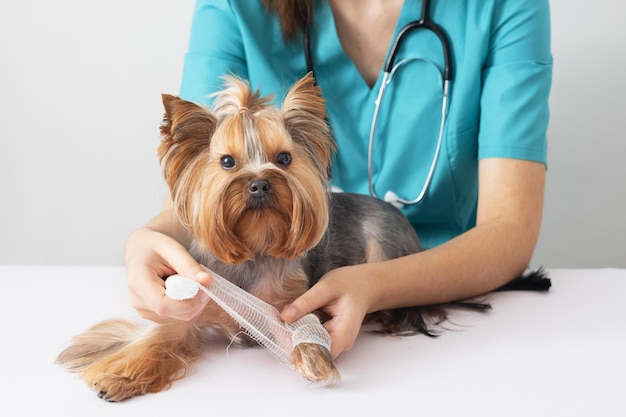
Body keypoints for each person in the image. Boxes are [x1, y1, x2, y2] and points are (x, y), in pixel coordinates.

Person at [125, 0, 552, 359]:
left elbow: (509, 230)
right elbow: (195, 192)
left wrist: (376, 283)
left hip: (448, 294)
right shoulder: (235, 6)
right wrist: (145, 240)